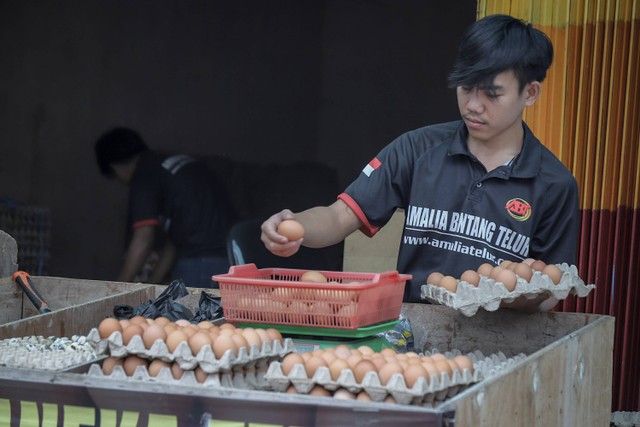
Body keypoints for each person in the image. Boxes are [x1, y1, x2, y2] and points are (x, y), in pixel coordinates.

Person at [260, 14, 580, 312]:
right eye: (466, 87)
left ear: (530, 93)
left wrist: (496, 297)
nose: (472, 105)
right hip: (414, 330)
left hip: (501, 343)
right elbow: (341, 215)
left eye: (491, 94)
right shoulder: (417, 149)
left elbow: (548, 291)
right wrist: (295, 226)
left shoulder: (553, 185)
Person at [94, 127, 236, 288]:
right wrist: (153, 284)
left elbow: (143, 238)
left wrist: (117, 287)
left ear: (115, 167)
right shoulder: (174, 165)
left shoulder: (144, 174)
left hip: (199, 263)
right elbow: (174, 241)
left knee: (186, 311)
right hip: (232, 257)